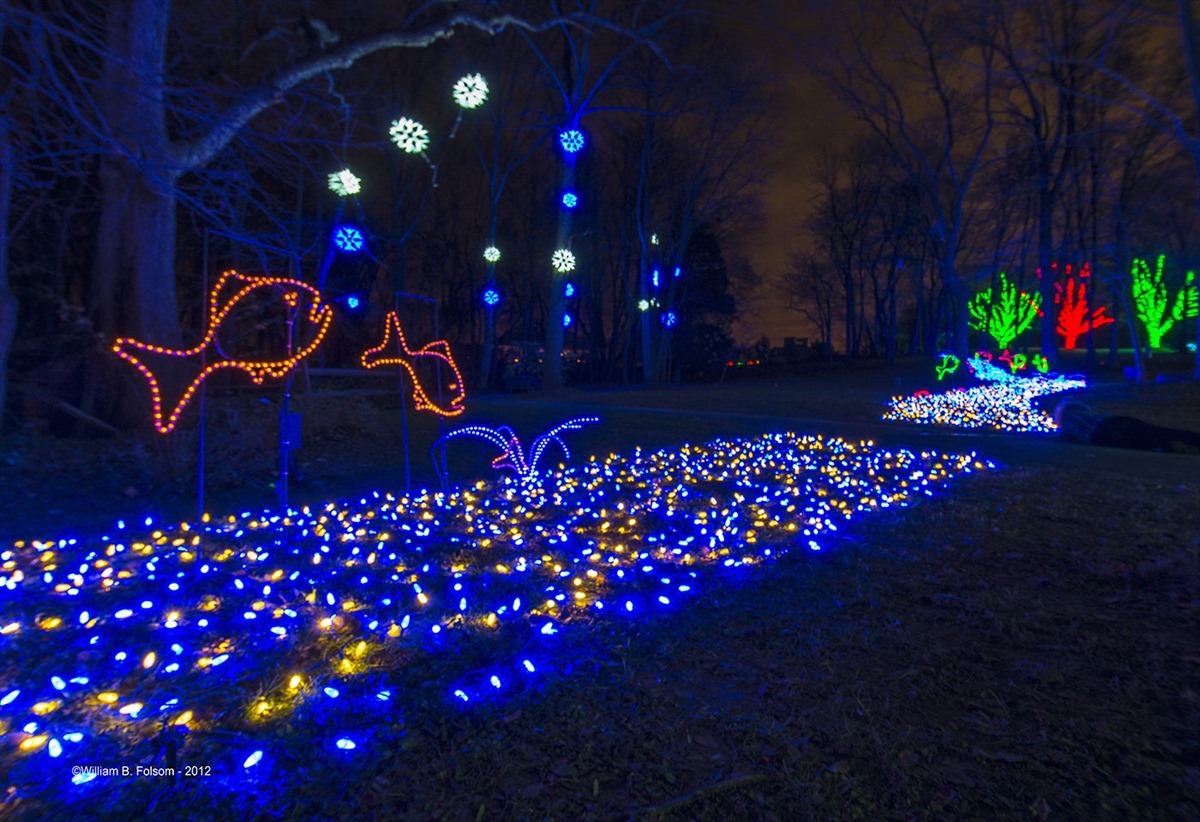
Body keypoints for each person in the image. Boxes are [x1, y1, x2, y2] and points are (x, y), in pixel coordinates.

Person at [1054, 401, 1200, 454]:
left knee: (1149, 442)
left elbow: (1064, 437)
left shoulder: (1069, 425)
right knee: (1160, 432)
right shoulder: (1086, 415)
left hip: (1104, 434)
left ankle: (1172, 447)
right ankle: (1190, 441)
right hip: (1116, 422)